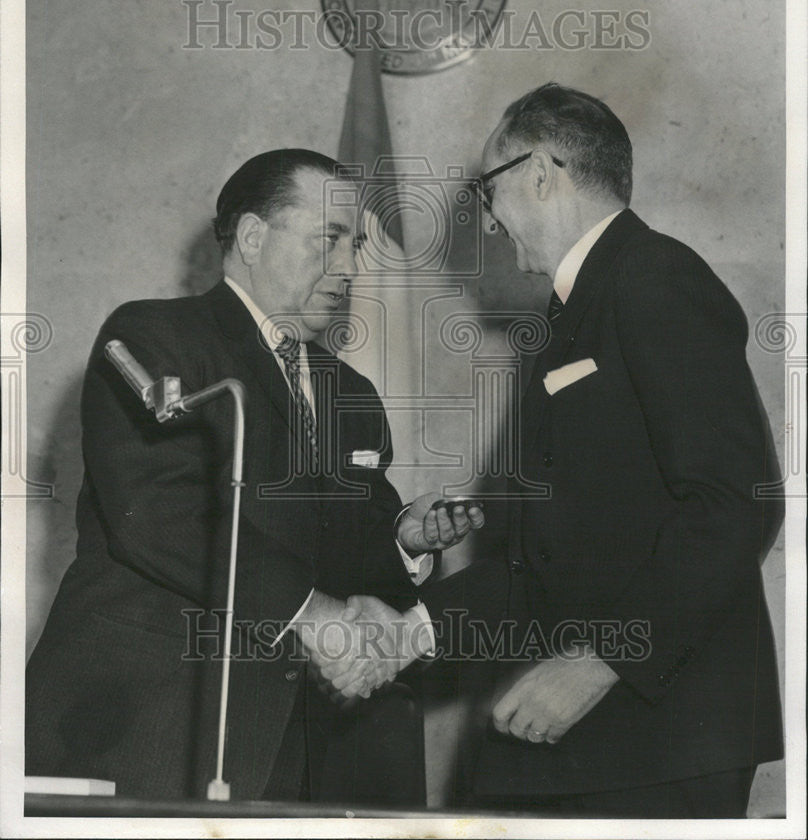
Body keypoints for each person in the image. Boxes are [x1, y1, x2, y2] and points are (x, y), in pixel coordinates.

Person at [342, 84, 784, 817]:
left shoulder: (654, 279)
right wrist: (409, 631)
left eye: (489, 191)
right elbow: (543, 565)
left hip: (654, 742)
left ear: (540, 175)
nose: (485, 220)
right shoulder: (575, 311)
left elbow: (732, 504)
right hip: (586, 747)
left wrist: (600, 661)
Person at [25, 148, 480, 803]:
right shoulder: (153, 337)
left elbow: (343, 556)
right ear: (251, 237)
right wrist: (314, 615)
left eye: (353, 245)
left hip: (275, 748)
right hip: (137, 727)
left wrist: (404, 539)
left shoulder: (349, 390)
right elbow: (158, 517)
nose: (350, 268)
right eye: (329, 240)